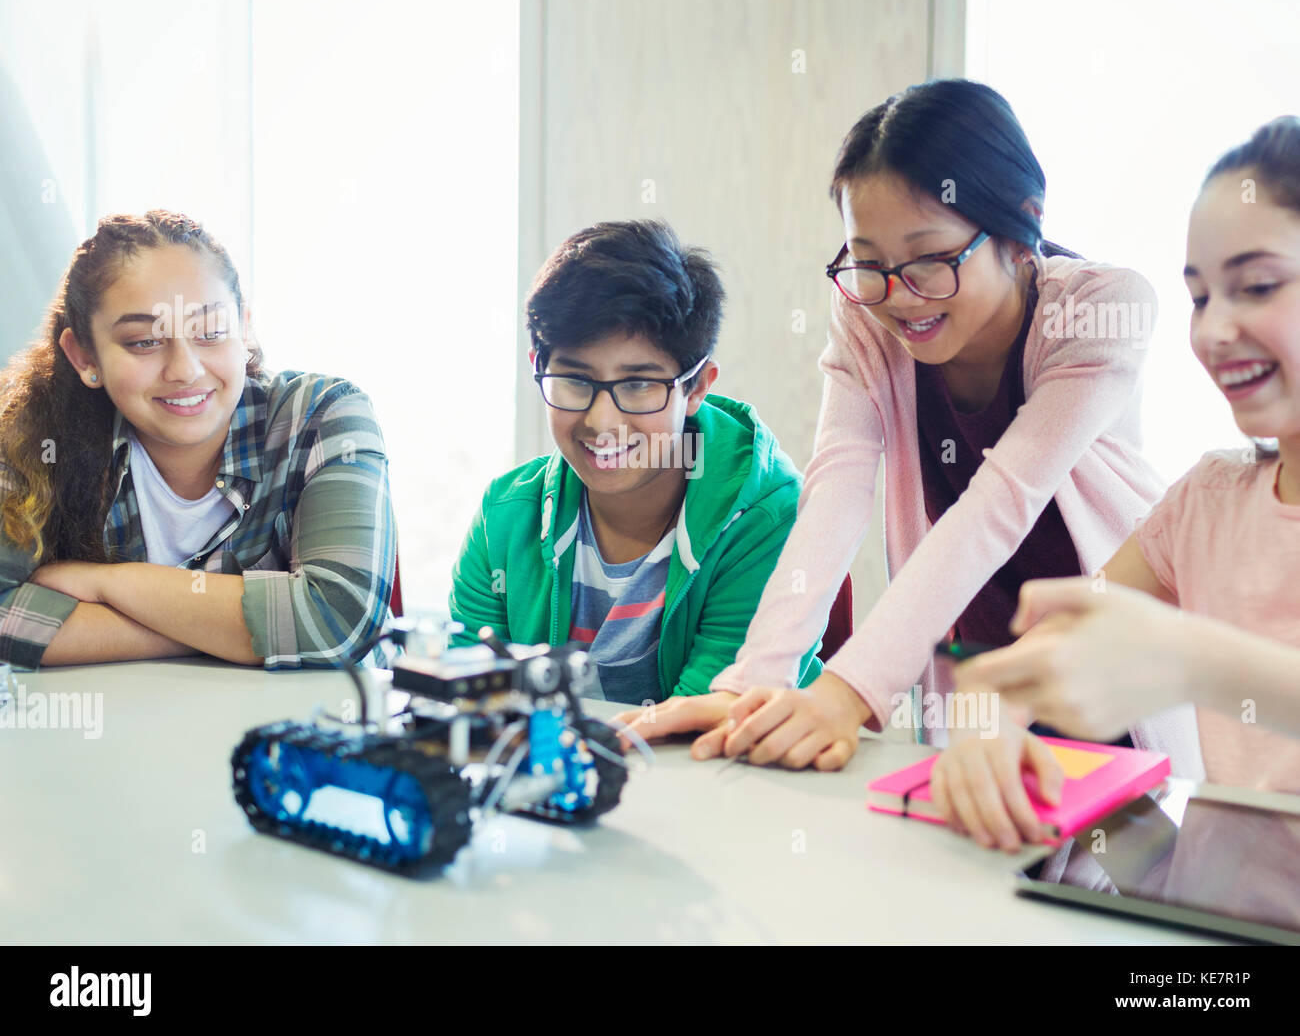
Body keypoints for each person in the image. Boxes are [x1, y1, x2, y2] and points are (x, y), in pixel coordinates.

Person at [617, 78, 1201, 787]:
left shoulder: (1102, 309)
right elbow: (835, 490)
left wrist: (852, 690)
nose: (897, 295)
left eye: (928, 261)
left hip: (1102, 656)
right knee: (978, 871)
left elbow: (1000, 501)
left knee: (1118, 871)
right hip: (980, 670)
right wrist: (751, 682)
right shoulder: (866, 317)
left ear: (1021, 227)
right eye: (868, 262)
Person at [946, 118, 1300, 847]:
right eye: (1201, 298)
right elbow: (1022, 665)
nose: (1213, 332)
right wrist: (983, 712)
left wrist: (1189, 659)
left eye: (1256, 286)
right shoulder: (1208, 501)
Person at [0, 210, 395, 670]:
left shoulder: (323, 414)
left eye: (210, 333)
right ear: (84, 356)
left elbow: (337, 621)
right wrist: (224, 628)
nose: (185, 369)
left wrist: (108, 585)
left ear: (243, 329)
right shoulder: (34, 439)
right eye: (145, 342)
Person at [448, 219, 822, 704]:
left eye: (639, 384)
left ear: (697, 387)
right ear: (538, 368)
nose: (602, 421)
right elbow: (468, 704)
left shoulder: (765, 519)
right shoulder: (505, 516)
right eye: (576, 380)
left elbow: (706, 727)